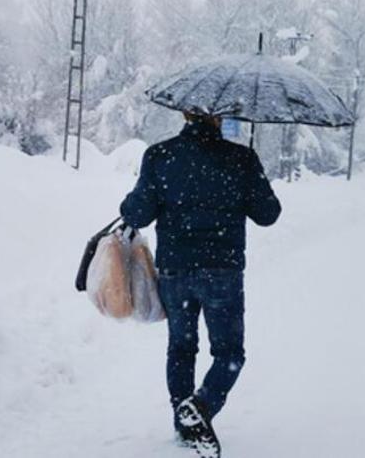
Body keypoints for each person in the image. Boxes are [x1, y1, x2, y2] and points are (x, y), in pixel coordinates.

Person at [120, 112, 282, 455]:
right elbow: (268, 214)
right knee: (230, 353)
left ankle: (185, 423)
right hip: (222, 271)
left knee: (181, 348)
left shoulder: (160, 155)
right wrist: (249, 176)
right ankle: (201, 406)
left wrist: (133, 200)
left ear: (184, 112)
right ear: (219, 117)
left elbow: (137, 214)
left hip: (175, 271)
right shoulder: (241, 158)